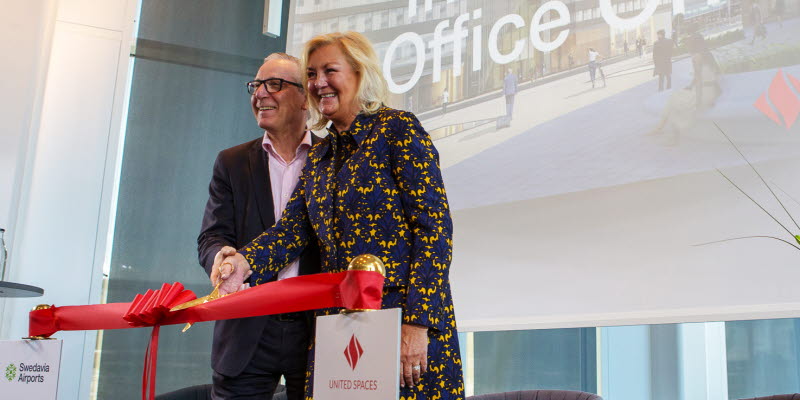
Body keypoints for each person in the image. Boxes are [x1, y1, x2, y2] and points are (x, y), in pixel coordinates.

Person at [214, 31, 465, 400]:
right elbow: (290, 232)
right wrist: (243, 262)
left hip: (404, 328)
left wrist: (417, 323)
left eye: (329, 71)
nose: (318, 83)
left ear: (360, 73)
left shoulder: (398, 130)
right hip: (340, 331)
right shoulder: (319, 158)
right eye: (311, 74)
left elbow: (434, 230)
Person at [197, 52, 321, 400]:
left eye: (275, 85)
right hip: (245, 330)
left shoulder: (333, 160)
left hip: (315, 331)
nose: (260, 94)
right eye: (256, 85)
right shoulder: (231, 162)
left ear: (304, 98)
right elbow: (211, 235)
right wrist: (221, 258)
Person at [648, 34, 721, 144]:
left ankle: (671, 136)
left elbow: (699, 78)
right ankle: (661, 128)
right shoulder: (709, 55)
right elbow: (707, 76)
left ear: (694, 45)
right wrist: (691, 87)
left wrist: (698, 100)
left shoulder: (696, 57)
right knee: (677, 97)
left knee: (674, 100)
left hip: (702, 94)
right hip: (711, 92)